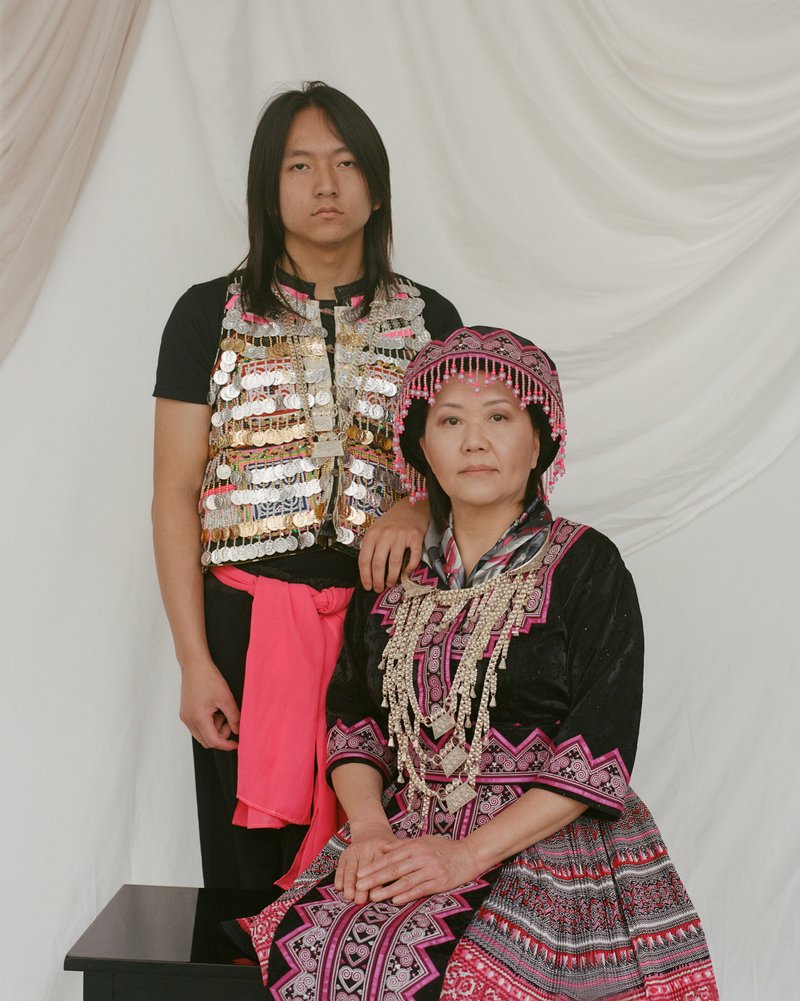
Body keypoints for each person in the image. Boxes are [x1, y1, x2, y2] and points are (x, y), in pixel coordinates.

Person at [229, 327, 720, 1000]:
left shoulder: (584, 565)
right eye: (450, 420)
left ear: (540, 440)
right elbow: (354, 719)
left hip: (552, 842)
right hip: (406, 828)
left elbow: (598, 754)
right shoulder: (393, 574)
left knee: (473, 979)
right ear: (421, 447)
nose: (474, 440)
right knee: (310, 947)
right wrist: (369, 828)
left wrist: (464, 855)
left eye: (499, 417)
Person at [152, 81, 461, 892]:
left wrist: (417, 499)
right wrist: (193, 659)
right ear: (268, 186)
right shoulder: (204, 316)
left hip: (391, 623)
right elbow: (174, 492)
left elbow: (476, 468)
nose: (326, 184)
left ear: (377, 184)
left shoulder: (433, 319)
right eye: (300, 165)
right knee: (249, 880)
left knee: (392, 865)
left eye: (346, 162)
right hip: (245, 627)